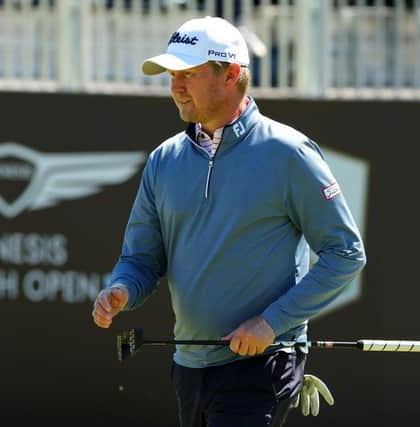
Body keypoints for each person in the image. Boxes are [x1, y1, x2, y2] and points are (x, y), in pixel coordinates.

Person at [92, 16, 366, 427]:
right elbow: (142, 258)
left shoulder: (289, 153)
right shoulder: (164, 161)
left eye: (188, 74)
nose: (175, 86)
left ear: (232, 74)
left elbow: (345, 254)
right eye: (171, 75)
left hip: (262, 366)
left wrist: (272, 323)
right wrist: (121, 289)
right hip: (189, 365)